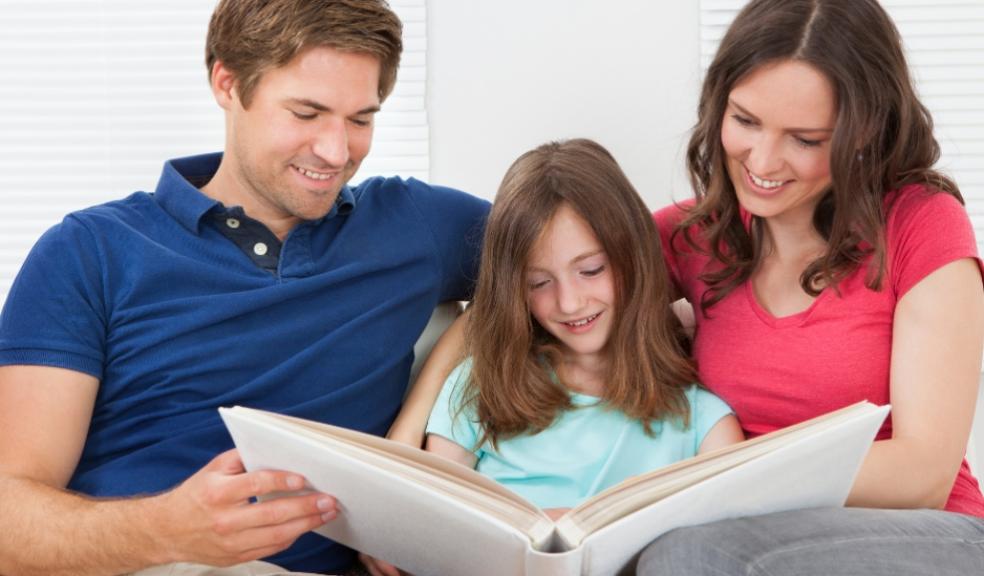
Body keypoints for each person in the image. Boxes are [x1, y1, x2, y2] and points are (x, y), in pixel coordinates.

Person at [0, 1, 489, 575]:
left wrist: (407, 452)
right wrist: (165, 531)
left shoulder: (415, 223)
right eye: (307, 113)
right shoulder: (89, 252)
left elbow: (589, 275)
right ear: (227, 82)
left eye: (360, 119)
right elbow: (10, 519)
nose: (337, 152)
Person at [636, 0, 984, 574]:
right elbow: (520, 291)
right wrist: (429, 430)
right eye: (745, 121)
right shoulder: (695, 235)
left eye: (805, 138)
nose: (763, 160)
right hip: (749, 533)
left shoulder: (922, 222)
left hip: (933, 534)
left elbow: (923, 474)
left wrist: (719, 473)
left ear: (864, 131)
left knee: (690, 553)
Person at [362, 139, 744, 576]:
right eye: (538, 282)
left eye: (591, 270)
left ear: (634, 259)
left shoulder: (705, 422)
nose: (569, 303)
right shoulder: (479, 387)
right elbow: (431, 522)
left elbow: (720, 549)